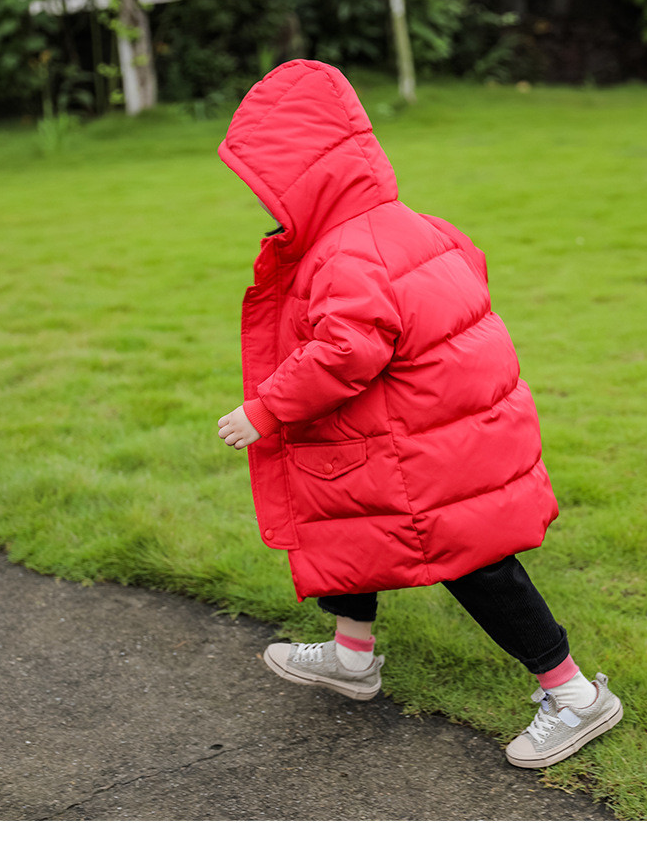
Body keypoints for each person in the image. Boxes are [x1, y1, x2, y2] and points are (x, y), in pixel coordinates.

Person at [216, 59, 622, 768]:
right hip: (443, 429)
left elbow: (346, 351)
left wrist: (267, 411)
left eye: (269, 188)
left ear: (307, 178)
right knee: (346, 521)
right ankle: (351, 655)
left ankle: (577, 697)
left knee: (475, 566)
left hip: (430, 449)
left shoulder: (343, 255)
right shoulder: (413, 225)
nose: (265, 204)